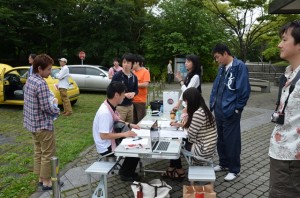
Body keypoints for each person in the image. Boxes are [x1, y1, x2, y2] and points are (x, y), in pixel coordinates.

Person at [268, 21, 300, 197]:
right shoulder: (289, 73)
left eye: (284, 40)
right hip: (281, 153)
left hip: (291, 158)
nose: (279, 44)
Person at [209, 43, 250, 181]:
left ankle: (234, 169)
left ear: (225, 53)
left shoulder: (239, 66)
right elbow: (215, 88)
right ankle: (223, 163)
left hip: (231, 111)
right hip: (219, 110)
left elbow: (244, 90)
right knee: (220, 139)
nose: (216, 60)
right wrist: (212, 105)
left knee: (232, 141)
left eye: (217, 57)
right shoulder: (222, 69)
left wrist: (237, 109)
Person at [23, 54, 62, 191]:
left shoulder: (30, 79)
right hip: (43, 125)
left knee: (38, 152)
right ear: (39, 68)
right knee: (48, 154)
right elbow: (46, 107)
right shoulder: (41, 83)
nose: (50, 72)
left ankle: (40, 178)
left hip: (32, 124)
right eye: (49, 69)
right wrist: (56, 109)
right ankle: (47, 182)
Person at [161, 87, 217, 181]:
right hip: (207, 145)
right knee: (176, 139)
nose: (185, 103)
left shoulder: (198, 113)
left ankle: (179, 171)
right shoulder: (202, 109)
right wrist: (180, 124)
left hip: (203, 149)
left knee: (175, 143)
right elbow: (193, 128)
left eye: (186, 101)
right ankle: (173, 169)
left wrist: (183, 125)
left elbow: (190, 135)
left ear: (191, 100)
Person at [93, 81, 140, 181]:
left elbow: (116, 119)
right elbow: (103, 136)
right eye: (123, 94)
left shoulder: (109, 106)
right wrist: (125, 134)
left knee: (135, 143)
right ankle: (125, 173)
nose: (124, 97)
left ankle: (126, 171)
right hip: (106, 147)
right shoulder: (105, 112)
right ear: (116, 95)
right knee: (136, 148)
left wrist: (130, 125)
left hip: (109, 142)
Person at [111, 53, 138, 123]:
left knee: (129, 127)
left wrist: (133, 93)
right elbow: (111, 89)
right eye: (124, 62)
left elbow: (136, 90)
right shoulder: (117, 75)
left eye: (128, 62)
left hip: (130, 106)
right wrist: (124, 95)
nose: (125, 64)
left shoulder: (134, 77)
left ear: (132, 64)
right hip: (120, 107)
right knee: (120, 127)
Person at [132, 54, 151, 124]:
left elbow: (146, 84)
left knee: (141, 121)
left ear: (137, 63)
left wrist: (134, 84)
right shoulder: (132, 72)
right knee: (133, 121)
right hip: (131, 100)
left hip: (140, 101)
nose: (131, 65)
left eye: (133, 63)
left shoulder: (145, 71)